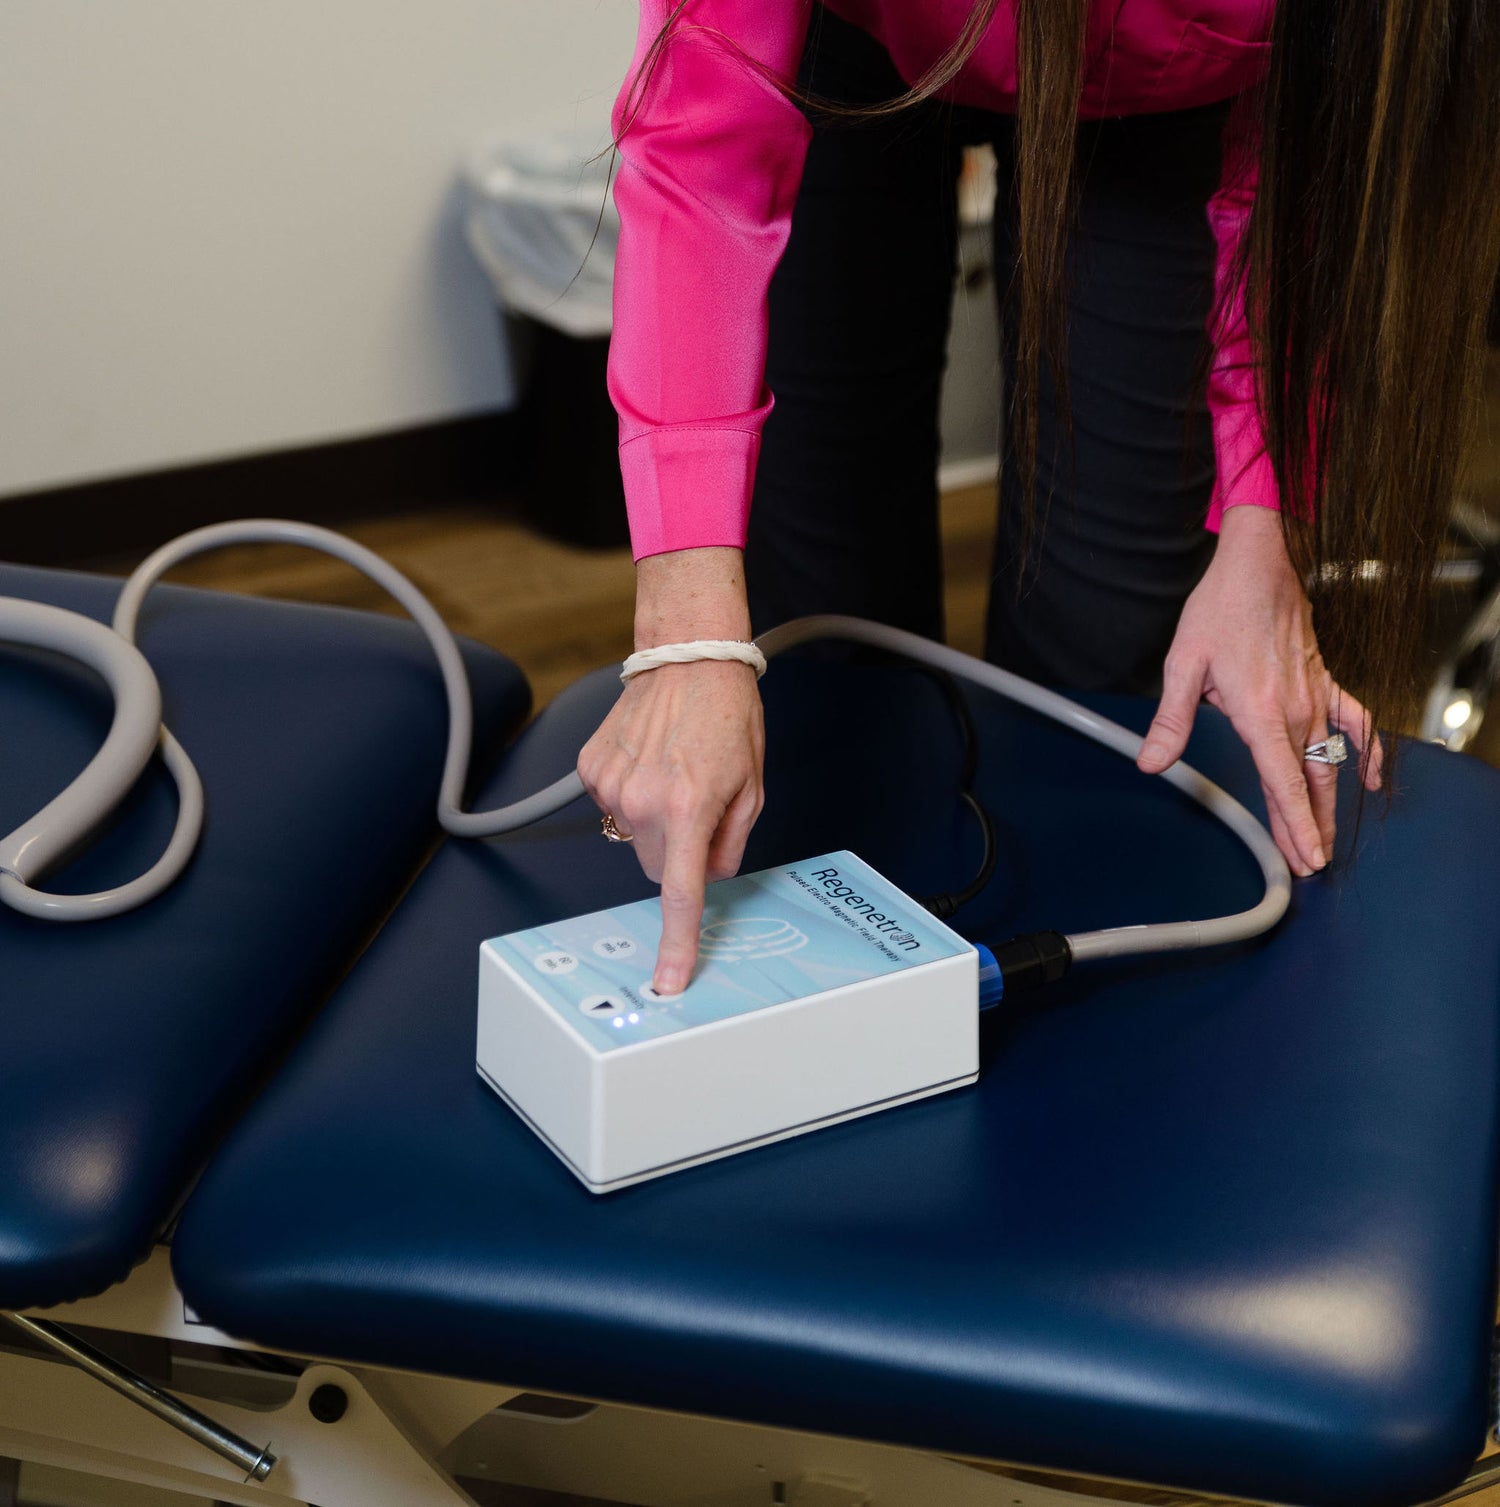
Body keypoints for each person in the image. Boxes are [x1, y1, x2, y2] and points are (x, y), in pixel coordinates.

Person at [578, 0, 1500, 996]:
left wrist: (1264, 523)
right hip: (842, 34)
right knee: (829, 650)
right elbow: (702, 156)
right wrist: (688, 635)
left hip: (1158, 74)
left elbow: (1318, 161)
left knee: (1095, 670)